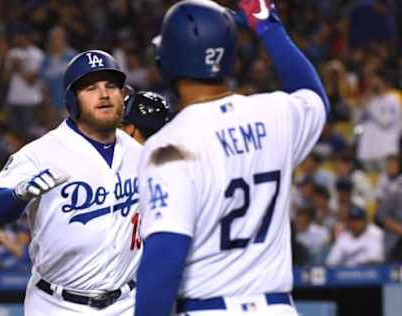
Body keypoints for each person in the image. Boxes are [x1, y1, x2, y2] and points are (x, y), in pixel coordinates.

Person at [135, 1, 330, 316]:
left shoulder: (168, 147)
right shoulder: (275, 113)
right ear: (233, 60)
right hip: (277, 308)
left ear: (166, 62)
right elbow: (314, 97)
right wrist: (269, 28)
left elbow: (165, 259)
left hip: (208, 308)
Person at [0, 50, 142, 316]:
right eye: (91, 88)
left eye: (111, 86)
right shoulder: (41, 152)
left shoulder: (140, 153)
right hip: (56, 304)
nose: (104, 94)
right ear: (72, 100)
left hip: (128, 302)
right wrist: (20, 194)